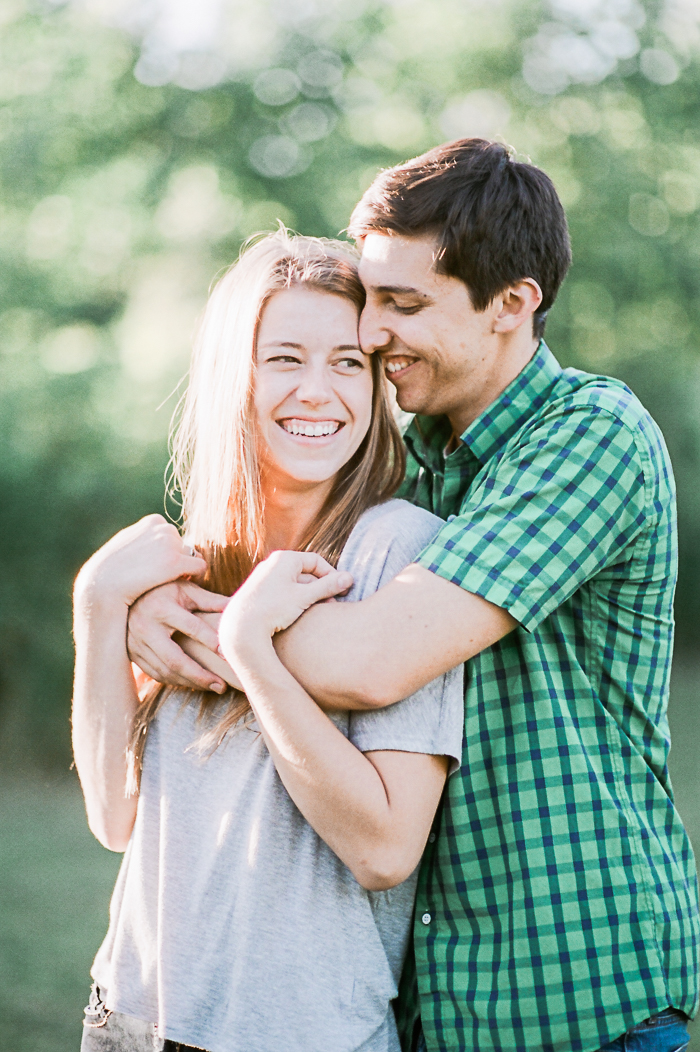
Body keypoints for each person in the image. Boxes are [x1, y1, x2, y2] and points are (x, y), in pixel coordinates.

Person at [128, 139, 700, 1052]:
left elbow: (368, 660)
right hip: (439, 1002)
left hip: (578, 1002)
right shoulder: (419, 468)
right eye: (372, 298)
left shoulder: (592, 437)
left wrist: (194, 625)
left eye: (402, 303)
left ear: (513, 304)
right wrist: (144, 607)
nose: (370, 331)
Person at [72, 229, 467, 1052]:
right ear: (233, 376)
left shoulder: (394, 551)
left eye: (348, 362)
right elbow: (116, 817)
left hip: (298, 1035)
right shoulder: (184, 566)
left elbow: (387, 848)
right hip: (129, 1020)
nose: (318, 392)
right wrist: (99, 606)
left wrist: (254, 650)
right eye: (284, 359)